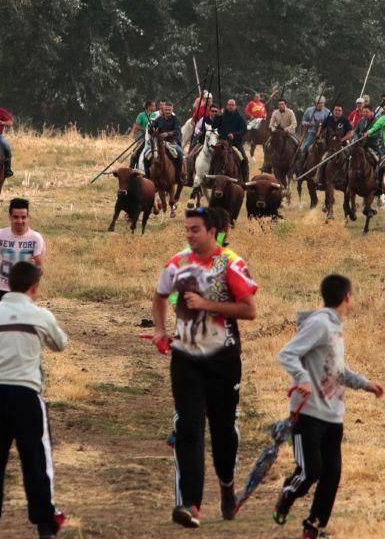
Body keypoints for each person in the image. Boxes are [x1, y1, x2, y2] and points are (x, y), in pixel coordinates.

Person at [151, 208, 258, 529]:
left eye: (195, 229)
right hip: (185, 358)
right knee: (188, 428)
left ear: (212, 231)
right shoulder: (177, 262)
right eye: (186, 229)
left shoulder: (231, 264)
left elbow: (249, 311)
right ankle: (190, 504)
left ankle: (227, 487)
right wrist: (159, 329)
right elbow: (159, 297)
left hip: (223, 360)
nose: (189, 235)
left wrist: (207, 304)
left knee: (223, 431)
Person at [275, 274, 385, 538]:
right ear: (347, 297)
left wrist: (365, 384)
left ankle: (313, 526)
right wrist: (301, 378)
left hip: (334, 414)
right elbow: (287, 353)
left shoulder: (335, 326)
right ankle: (288, 494)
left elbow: (338, 369)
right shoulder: (320, 324)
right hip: (308, 412)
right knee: (311, 471)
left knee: (332, 474)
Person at [0, 261, 68, 539]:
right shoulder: (40, 315)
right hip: (26, 394)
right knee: (35, 459)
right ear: (35, 287)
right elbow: (60, 344)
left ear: (7, 283)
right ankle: (45, 522)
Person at [0, 198, 46, 305]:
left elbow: (39, 266)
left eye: (23, 217)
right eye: (16, 217)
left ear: (28, 217)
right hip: (1, 289)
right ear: (9, 217)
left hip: (24, 291)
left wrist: (34, 286)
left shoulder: (36, 238)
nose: (20, 221)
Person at [265, 98, 298, 173]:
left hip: (289, 133)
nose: (281, 106)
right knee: (267, 145)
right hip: (278, 133)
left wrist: (286, 129)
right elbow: (271, 125)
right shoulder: (275, 113)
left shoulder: (290, 112)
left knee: (298, 144)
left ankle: (298, 165)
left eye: (282, 104)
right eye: (279, 104)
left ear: (285, 105)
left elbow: (294, 123)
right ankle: (267, 164)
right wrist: (274, 130)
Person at [218, 99, 249, 178]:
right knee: (214, 156)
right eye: (229, 105)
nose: (231, 106)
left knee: (244, 159)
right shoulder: (221, 116)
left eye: (232, 105)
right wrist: (218, 117)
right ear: (227, 106)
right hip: (223, 142)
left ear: (235, 106)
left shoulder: (239, 118)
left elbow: (244, 130)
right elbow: (215, 127)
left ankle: (245, 179)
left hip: (236, 143)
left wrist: (234, 135)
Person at [299, 97, 330, 161]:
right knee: (303, 148)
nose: (320, 105)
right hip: (312, 133)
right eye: (319, 103)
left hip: (324, 134)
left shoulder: (328, 112)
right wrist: (308, 123)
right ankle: (300, 164)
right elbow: (303, 121)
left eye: (322, 103)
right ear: (315, 103)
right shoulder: (309, 110)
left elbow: (331, 122)